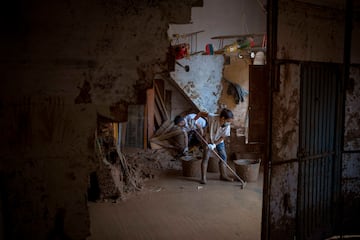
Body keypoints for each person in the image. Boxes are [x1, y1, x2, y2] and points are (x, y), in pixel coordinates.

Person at [194, 108, 234, 184]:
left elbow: (223, 137)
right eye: (228, 121)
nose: (229, 123)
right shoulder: (212, 117)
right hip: (208, 139)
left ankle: (223, 175)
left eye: (230, 121)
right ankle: (203, 178)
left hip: (219, 141)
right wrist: (194, 120)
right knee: (206, 157)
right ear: (222, 118)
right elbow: (201, 113)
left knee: (223, 157)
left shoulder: (227, 126)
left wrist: (214, 144)